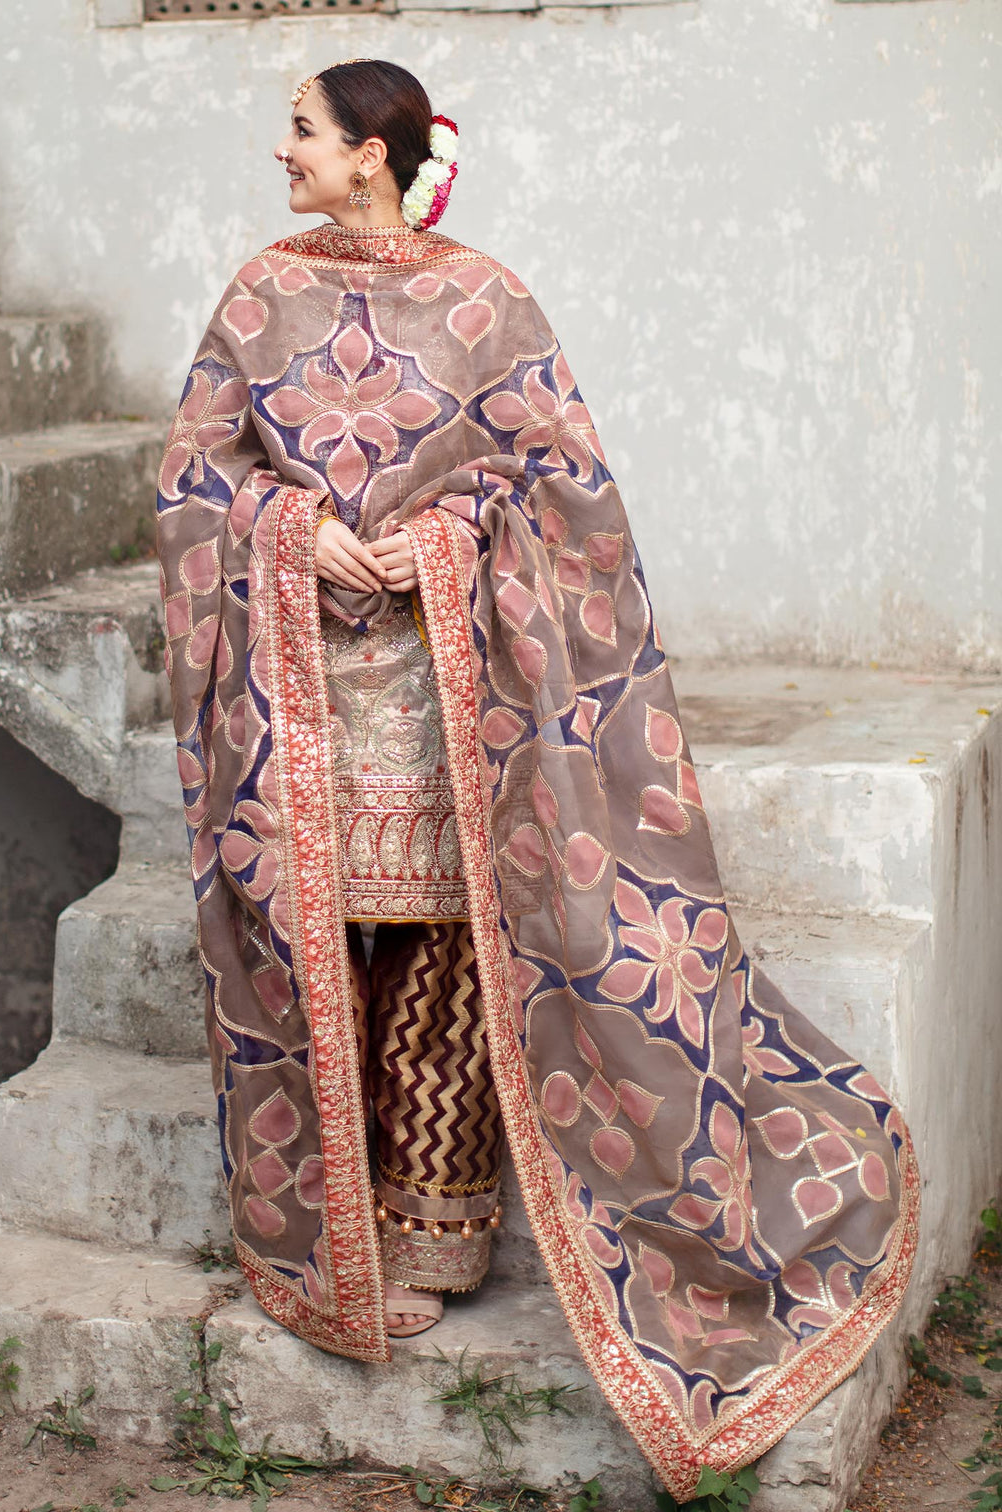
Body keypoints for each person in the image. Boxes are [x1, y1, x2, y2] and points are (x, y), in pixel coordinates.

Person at [156, 58, 917, 1499]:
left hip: (453, 692)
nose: (281, 152)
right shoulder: (256, 298)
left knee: (444, 943)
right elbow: (196, 481)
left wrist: (443, 545)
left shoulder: (487, 302)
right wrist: (292, 532)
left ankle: (434, 1232)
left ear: (374, 154)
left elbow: (562, 493)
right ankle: (329, 1236)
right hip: (299, 687)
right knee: (316, 939)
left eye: (303, 132)